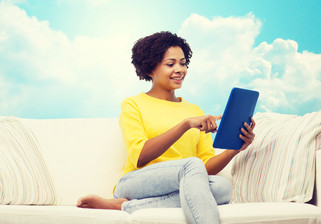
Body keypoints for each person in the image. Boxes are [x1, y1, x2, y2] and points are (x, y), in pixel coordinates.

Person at [77, 31, 255, 224]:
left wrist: (235, 149)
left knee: (222, 187)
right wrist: (185, 125)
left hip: (184, 181)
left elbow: (205, 169)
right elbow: (140, 155)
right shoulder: (133, 104)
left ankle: (123, 206)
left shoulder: (194, 110)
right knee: (191, 165)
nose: (180, 69)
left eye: (183, 63)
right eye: (170, 64)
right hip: (136, 182)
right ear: (150, 69)